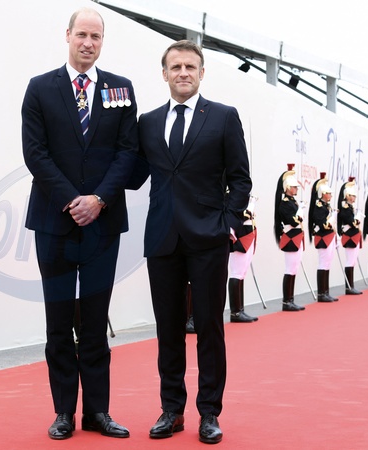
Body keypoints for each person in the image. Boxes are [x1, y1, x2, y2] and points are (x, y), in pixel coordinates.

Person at [21, 7, 137, 440]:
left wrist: (99, 200)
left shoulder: (120, 89)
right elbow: (35, 153)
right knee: (57, 322)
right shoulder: (40, 88)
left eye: (96, 36)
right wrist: (74, 200)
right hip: (54, 223)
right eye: (82, 35)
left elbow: (127, 152)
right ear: (67, 35)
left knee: (94, 320)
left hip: (102, 226)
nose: (88, 43)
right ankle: (64, 412)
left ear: (102, 41)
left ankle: (97, 412)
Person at [130, 40, 252, 444]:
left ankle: (210, 412)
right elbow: (133, 174)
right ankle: (172, 410)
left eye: (190, 66)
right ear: (164, 73)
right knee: (168, 329)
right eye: (176, 66)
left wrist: (228, 224)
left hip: (208, 239)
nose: (183, 72)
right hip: (162, 238)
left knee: (209, 329)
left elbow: (241, 179)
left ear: (201, 73)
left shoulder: (223, 116)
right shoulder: (147, 122)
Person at [274, 164, 306, 311]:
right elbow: (293, 222)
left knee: (294, 269)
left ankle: (290, 299)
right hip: (291, 237)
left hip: (296, 237)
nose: (296, 189)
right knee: (290, 269)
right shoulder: (285, 204)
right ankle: (287, 301)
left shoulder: (292, 202)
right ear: (287, 188)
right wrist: (300, 214)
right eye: (294, 187)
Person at [228, 195, 259, 322]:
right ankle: (235, 312)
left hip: (247, 235)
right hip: (239, 237)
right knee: (236, 273)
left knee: (241, 274)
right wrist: (249, 208)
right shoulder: (231, 195)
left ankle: (240, 309)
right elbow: (236, 214)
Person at [308, 173, 338, 302]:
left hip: (329, 236)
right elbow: (323, 224)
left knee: (327, 263)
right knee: (323, 263)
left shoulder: (326, 206)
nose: (330, 195)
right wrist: (332, 218)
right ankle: (321, 293)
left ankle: (326, 291)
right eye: (328, 193)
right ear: (323, 194)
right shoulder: (319, 206)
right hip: (323, 237)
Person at [337, 177, 363, 295]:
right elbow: (353, 223)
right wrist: (358, 217)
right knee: (350, 261)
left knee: (352, 261)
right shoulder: (345, 209)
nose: (354, 198)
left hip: (353, 236)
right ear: (347, 196)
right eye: (352, 195)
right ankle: (349, 287)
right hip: (350, 237)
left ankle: (351, 286)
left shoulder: (350, 208)